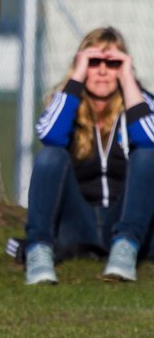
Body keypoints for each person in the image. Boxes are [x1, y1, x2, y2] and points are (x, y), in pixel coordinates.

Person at [23, 27, 154, 284]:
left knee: (148, 155)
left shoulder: (141, 102)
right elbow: (50, 135)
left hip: (132, 227)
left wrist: (128, 82)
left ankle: (124, 249)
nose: (103, 70)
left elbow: (149, 139)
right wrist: (77, 79)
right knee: (50, 156)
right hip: (77, 224)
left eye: (113, 62)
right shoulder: (64, 101)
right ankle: (38, 249)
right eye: (94, 62)